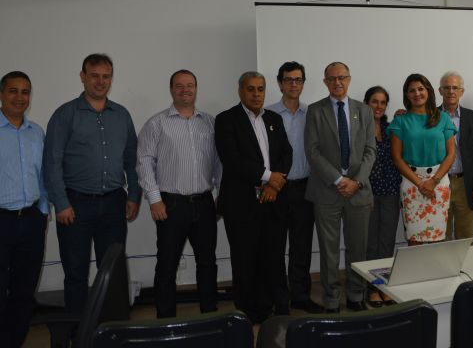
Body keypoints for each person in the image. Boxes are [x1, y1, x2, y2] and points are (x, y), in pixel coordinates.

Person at [44, 53, 141, 312]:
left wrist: (134, 196)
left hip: (114, 204)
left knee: (113, 271)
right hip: (75, 206)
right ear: (82, 77)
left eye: (106, 76)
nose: (100, 82)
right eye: (94, 76)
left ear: (111, 78)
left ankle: (113, 330)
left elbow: (132, 159)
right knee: (75, 273)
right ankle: (79, 333)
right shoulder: (65, 114)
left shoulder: (121, 115)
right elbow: (51, 162)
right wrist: (61, 203)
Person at [137, 69, 222, 318]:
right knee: (167, 265)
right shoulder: (157, 123)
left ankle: (210, 315)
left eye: (190, 85)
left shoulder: (209, 122)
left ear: (196, 88)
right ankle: (165, 320)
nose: (185, 89)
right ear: (171, 89)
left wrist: (222, 194)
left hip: (205, 203)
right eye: (179, 85)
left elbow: (218, 162)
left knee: (207, 263)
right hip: (171, 204)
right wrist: (154, 200)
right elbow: (143, 162)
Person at [214, 72, 292, 323]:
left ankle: (279, 306)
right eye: (251, 89)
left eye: (260, 89)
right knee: (245, 258)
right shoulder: (226, 120)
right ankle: (248, 312)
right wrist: (269, 176)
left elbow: (286, 154)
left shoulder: (274, 119)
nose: (256, 94)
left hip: (273, 199)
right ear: (240, 91)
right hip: (241, 203)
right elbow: (232, 160)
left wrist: (274, 186)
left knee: (274, 255)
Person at [304, 62, 376, 313]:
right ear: (325, 82)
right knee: (329, 250)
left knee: (358, 247)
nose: (337, 82)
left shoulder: (364, 110)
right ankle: (332, 300)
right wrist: (338, 180)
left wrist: (355, 182)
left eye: (342, 77)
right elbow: (312, 151)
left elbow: (370, 151)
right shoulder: (315, 111)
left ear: (349, 79)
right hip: (327, 191)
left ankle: (356, 296)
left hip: (358, 190)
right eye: (332, 78)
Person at [266, 62, 323, 314]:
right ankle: (280, 300)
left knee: (301, 246)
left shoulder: (312, 114)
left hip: (305, 188)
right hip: (276, 189)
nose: (293, 84)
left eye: (298, 80)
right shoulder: (266, 115)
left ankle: (300, 295)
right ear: (279, 83)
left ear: (302, 83)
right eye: (288, 80)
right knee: (275, 247)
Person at [0, 71, 49, 348]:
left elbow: (42, 176)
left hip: (31, 220)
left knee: (23, 291)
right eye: (13, 91)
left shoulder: (36, 132)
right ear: (1, 94)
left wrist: (42, 211)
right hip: (1, 221)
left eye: (25, 92)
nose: (20, 97)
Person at [389, 73, 456, 244]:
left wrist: (433, 181)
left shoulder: (443, 118)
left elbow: (451, 155)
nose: (417, 93)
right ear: (406, 95)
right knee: (415, 240)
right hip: (412, 183)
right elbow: (396, 157)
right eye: (412, 91)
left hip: (438, 183)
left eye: (421, 89)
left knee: (438, 238)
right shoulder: (400, 121)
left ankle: (437, 272)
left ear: (428, 91)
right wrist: (420, 183)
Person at [363, 86, 401, 307]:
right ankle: (372, 288)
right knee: (370, 244)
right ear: (366, 103)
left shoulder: (391, 128)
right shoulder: (359, 129)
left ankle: (383, 285)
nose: (378, 106)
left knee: (386, 242)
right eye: (374, 101)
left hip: (391, 192)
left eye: (382, 102)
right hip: (366, 193)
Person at [438, 71, 473, 242]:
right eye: (447, 88)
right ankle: (444, 269)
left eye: (455, 88)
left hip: (465, 183)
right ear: (440, 91)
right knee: (441, 235)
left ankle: (466, 268)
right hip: (440, 183)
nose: (451, 91)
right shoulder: (431, 117)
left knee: (465, 236)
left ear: (461, 92)